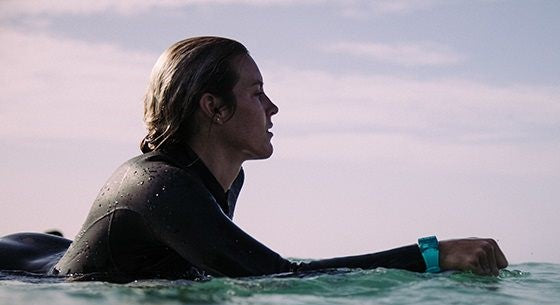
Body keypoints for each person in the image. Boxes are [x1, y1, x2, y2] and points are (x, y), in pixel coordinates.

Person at [0, 36, 507, 282]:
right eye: (257, 92)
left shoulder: (223, 177)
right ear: (214, 107)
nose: (273, 107)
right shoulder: (160, 186)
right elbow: (274, 278)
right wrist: (430, 254)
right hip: (18, 271)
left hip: (47, 247)